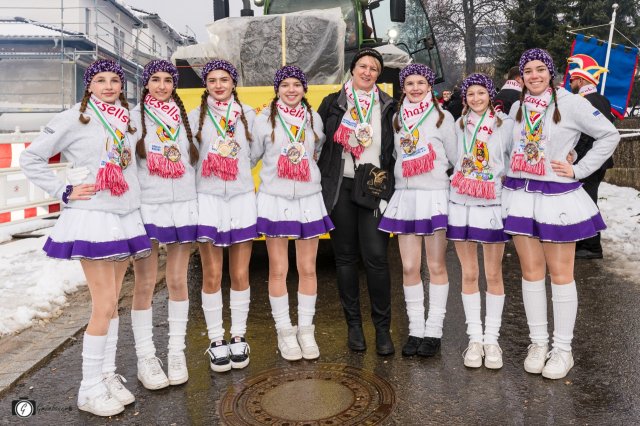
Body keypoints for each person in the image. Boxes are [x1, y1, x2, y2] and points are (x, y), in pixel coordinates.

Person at [20, 59, 151, 416]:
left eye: (114, 81)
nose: (108, 86)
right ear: (89, 85)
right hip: (93, 218)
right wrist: (64, 190)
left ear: (122, 86)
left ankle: (106, 375)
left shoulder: (128, 120)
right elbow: (31, 158)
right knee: (103, 304)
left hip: (125, 215)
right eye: (100, 80)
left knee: (113, 302)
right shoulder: (72, 118)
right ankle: (88, 388)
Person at [503, 48, 619, 379]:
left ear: (551, 73)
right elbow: (510, 147)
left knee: (561, 273)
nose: (534, 76)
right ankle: (538, 343)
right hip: (522, 195)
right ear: (522, 76)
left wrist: (578, 167)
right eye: (528, 71)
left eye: (541, 69)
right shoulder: (517, 106)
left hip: (556, 196)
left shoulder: (570, 102)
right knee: (530, 272)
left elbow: (608, 134)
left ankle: (563, 349)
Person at [317, 48, 397, 356]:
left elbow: (396, 149)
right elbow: (317, 144)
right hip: (342, 186)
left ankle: (382, 329)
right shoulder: (333, 103)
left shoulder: (388, 105)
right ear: (352, 70)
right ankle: (354, 326)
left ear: (378, 74)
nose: (367, 72)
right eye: (362, 66)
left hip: (374, 185)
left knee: (376, 257)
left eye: (373, 68)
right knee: (345, 258)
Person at [251, 65, 332, 361]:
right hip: (276, 200)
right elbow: (251, 156)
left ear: (304, 89)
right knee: (278, 270)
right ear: (277, 89)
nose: (291, 90)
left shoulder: (313, 118)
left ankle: (306, 330)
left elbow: (317, 151)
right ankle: (284, 331)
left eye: (296, 84)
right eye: (285, 85)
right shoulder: (263, 119)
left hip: (309, 198)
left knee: (308, 269)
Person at [377, 63, 457, 357]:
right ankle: (415, 329)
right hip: (406, 197)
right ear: (403, 87)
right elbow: (395, 154)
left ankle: (434, 331)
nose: (415, 88)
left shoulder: (442, 117)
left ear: (429, 86)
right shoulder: (397, 118)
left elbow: (456, 157)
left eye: (420, 83)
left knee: (435, 266)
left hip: (433, 196)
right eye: (409, 83)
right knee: (410, 267)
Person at [129, 60, 198, 390]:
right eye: (154, 79)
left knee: (177, 280)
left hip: (182, 205)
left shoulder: (187, 117)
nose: (161, 85)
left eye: (167, 80)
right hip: (149, 206)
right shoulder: (132, 118)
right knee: (145, 281)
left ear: (174, 84)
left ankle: (176, 352)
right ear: (146, 83)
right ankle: (146, 357)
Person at [189, 59, 257, 372]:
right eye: (213, 80)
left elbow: (255, 154)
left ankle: (239, 335)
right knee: (212, 274)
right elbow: (190, 156)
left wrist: (237, 169)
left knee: (240, 273)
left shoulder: (249, 115)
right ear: (206, 84)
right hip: (209, 198)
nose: (219, 85)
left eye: (224, 80)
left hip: (241, 198)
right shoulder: (195, 117)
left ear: (233, 83)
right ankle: (216, 339)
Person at [447, 73, 514, 369]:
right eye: (470, 94)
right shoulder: (458, 124)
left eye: (481, 93)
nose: (476, 98)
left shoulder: (505, 124)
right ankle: (474, 338)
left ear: (490, 95)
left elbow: (515, 156)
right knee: (469, 272)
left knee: (494, 273)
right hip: (462, 201)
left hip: (492, 203)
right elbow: (453, 158)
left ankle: (492, 339)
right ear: (465, 98)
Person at [567, 54, 615, 259]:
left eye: (572, 80)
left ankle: (592, 247)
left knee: (586, 202)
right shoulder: (602, 99)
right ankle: (585, 243)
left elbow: (587, 135)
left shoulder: (585, 101)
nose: (570, 83)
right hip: (597, 161)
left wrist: (576, 158)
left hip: (588, 162)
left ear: (581, 80)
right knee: (586, 201)